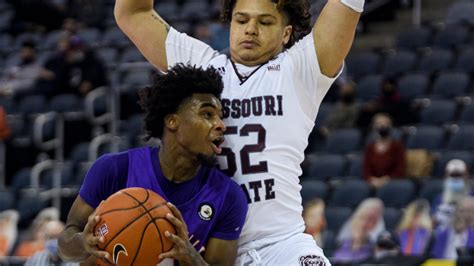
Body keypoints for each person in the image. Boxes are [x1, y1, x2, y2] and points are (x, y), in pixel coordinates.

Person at [114, 0, 363, 263]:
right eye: (241, 20)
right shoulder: (200, 68)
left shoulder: (300, 69)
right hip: (206, 250)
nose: (251, 29)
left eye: (265, 22)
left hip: (282, 245)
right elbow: (132, 13)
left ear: (286, 33)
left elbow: (346, 5)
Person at [58, 64, 248, 265]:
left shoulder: (228, 196)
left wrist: (189, 256)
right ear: (172, 122)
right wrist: (82, 243)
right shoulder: (115, 170)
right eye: (207, 114)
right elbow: (65, 245)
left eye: (221, 116)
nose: (221, 125)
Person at [333, 198, 385, 264]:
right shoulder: (344, 242)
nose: (364, 224)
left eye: (371, 219)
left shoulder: (381, 240)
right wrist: (356, 242)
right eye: (362, 217)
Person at [363, 113, 406, 188]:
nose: (382, 126)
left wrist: (385, 179)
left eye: (386, 123)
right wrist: (373, 180)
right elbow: (366, 171)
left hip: (392, 184)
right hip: (372, 184)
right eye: (379, 123)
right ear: (374, 127)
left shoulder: (397, 146)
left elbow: (400, 170)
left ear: (391, 126)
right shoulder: (369, 147)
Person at [432, 159, 474, 229]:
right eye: (453, 175)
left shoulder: (472, 197)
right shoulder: (439, 198)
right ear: (446, 177)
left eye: (459, 175)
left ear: (466, 177)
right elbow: (432, 220)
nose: (456, 179)